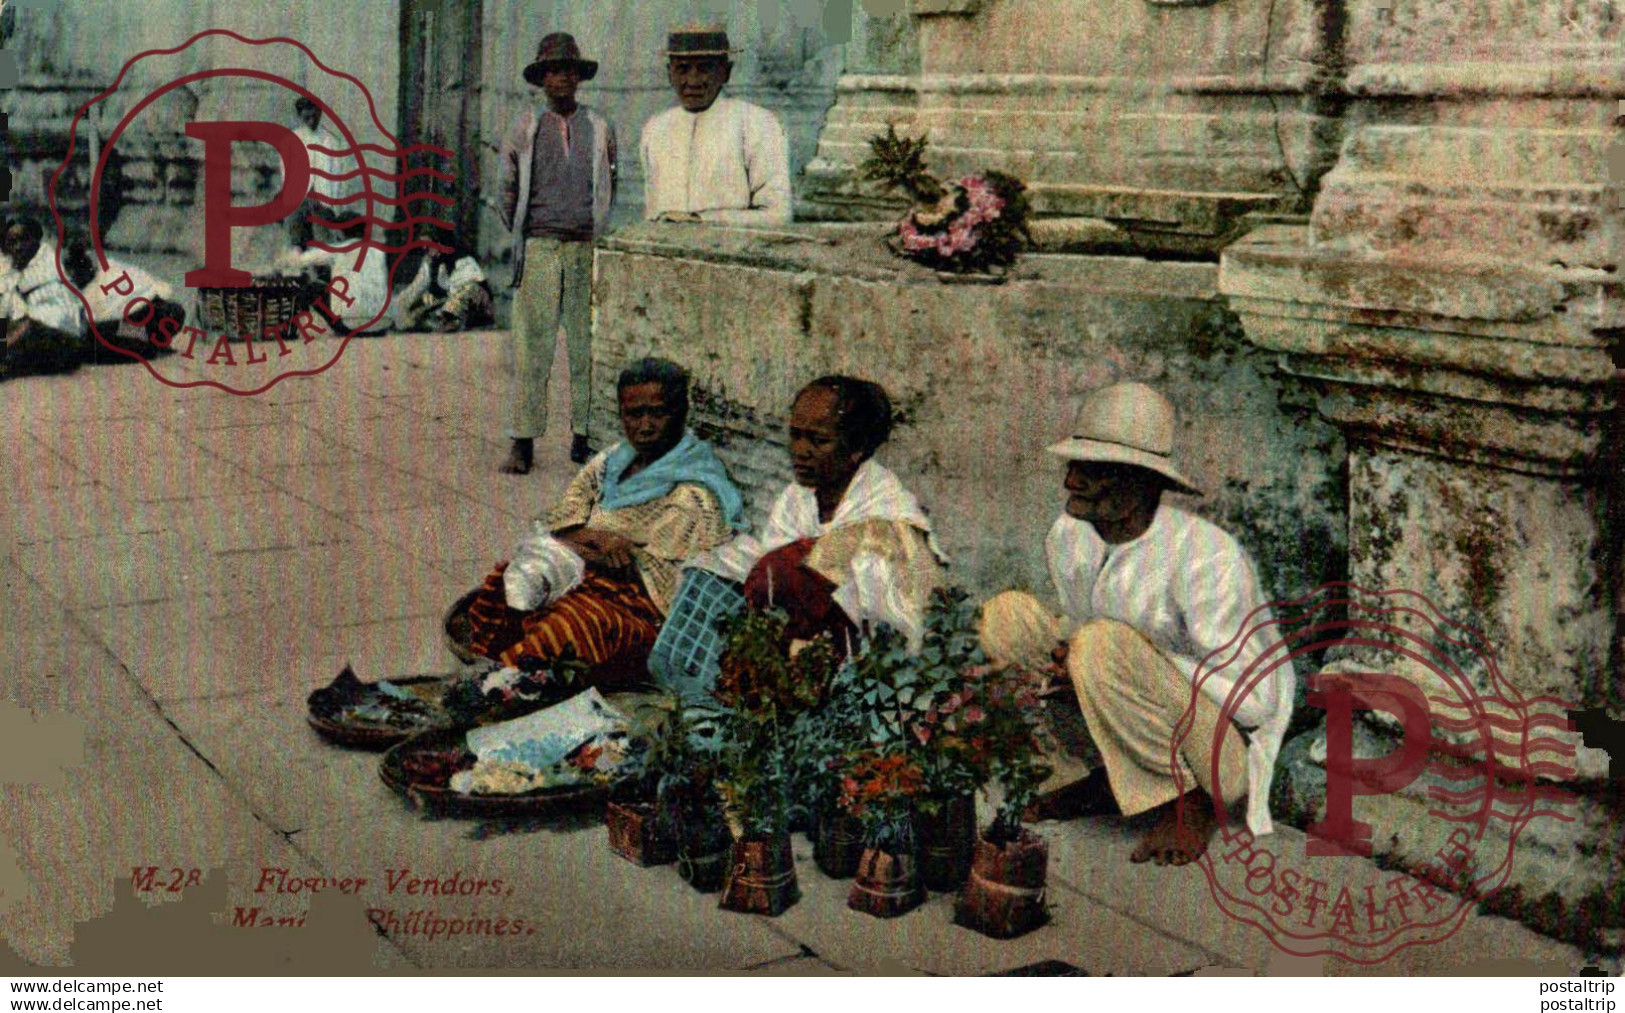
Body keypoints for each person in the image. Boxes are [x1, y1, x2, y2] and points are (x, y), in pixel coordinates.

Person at [978, 382, 1296, 867]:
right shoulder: (1069, 535)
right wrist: (1072, 657)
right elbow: (1085, 631)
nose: (1071, 483)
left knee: (1101, 643)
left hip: (1218, 754)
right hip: (1133, 707)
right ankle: (1098, 780)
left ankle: (1187, 804)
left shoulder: (1207, 556)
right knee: (1008, 617)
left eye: (1094, 471)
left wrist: (1143, 658)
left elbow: (1256, 702)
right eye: (1073, 466)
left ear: (1143, 482)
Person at [448, 358, 745, 687]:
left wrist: (606, 550)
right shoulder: (616, 459)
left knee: (572, 623)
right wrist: (588, 537)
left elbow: (664, 582)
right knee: (503, 582)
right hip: (586, 572)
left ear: (681, 412)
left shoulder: (695, 493)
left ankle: (501, 685)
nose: (645, 426)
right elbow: (569, 507)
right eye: (634, 414)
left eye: (658, 413)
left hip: (641, 611)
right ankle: (500, 666)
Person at [692, 376, 947, 658]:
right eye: (795, 435)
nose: (801, 451)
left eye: (819, 440)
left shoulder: (885, 509)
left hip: (871, 650)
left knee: (785, 570)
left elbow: (894, 610)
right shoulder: (797, 497)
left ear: (856, 448)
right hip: (809, 642)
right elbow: (770, 572)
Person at [498, 32, 618, 474]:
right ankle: (523, 440)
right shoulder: (525, 127)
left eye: (569, 69)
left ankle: (584, 435)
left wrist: (590, 229)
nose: (561, 78)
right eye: (552, 70)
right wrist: (527, 237)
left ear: (579, 77)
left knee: (587, 346)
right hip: (542, 247)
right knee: (534, 347)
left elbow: (609, 185)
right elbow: (506, 191)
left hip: (584, 248)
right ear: (541, 78)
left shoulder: (600, 127)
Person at [640, 26, 791, 226]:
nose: (693, 81)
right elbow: (653, 214)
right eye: (683, 69)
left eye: (704, 69)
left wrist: (703, 220)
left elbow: (778, 214)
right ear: (669, 73)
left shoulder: (757, 123)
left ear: (725, 72)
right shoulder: (656, 129)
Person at [1, 218, 88, 376]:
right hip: (46, 345)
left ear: (35, 240)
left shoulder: (47, 262)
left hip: (66, 341)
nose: (18, 247)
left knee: (28, 323)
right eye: (12, 242)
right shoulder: (19, 267)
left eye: (24, 239)